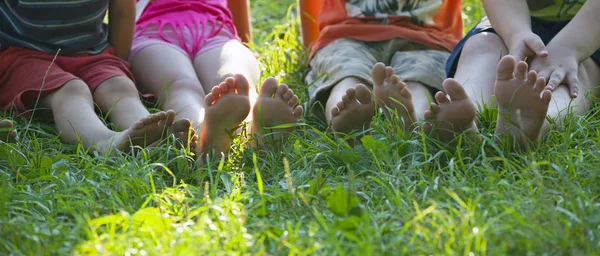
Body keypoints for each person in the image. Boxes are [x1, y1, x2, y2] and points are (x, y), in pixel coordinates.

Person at [0, 0, 178, 155]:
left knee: (119, 86)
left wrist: (117, 65)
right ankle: (104, 142)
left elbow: (122, 10)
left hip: (91, 52)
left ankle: (153, 135)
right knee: (71, 91)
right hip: (24, 55)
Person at [130, 0, 304, 158]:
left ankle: (253, 131)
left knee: (235, 80)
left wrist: (244, 43)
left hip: (217, 32)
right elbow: (121, 10)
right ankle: (202, 136)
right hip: (153, 34)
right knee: (180, 85)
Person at [428, 0, 600, 149]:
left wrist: (570, 47)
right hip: (509, 21)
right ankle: (465, 108)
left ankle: (536, 122)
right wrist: (516, 33)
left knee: (575, 76)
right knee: (484, 47)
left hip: (588, 36)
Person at [305, 0, 463, 144]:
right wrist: (312, 44)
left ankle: (414, 121)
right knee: (347, 75)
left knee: (420, 76)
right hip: (345, 34)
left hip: (429, 40)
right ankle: (346, 120)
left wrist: (310, 43)